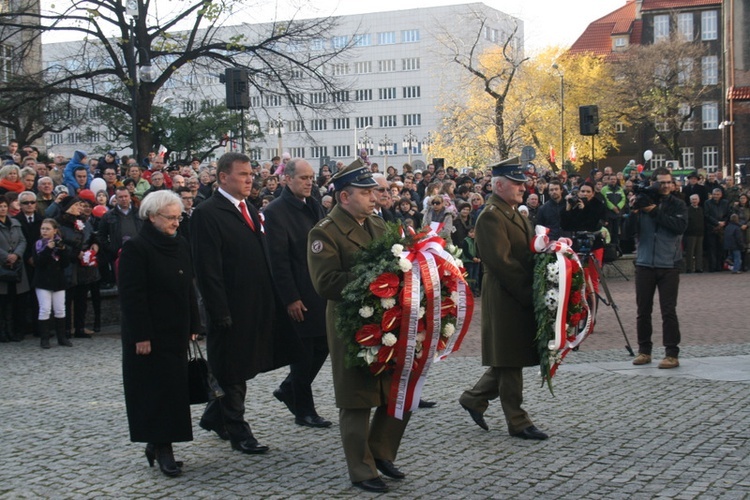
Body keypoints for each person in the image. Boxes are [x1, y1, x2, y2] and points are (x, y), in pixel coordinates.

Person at [307, 159, 410, 493]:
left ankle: (380, 454)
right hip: (353, 324)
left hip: (388, 318)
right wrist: (376, 282)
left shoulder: (380, 226)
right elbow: (327, 283)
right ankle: (362, 470)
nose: (373, 197)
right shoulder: (324, 232)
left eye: (373, 191)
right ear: (344, 197)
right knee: (357, 400)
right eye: (365, 192)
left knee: (395, 393)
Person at [191, 152, 296, 455]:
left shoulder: (248, 208)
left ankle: (214, 416)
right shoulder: (207, 213)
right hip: (229, 307)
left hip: (255, 304)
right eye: (242, 174)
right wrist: (218, 310)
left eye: (251, 174)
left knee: (241, 366)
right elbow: (207, 269)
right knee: (233, 371)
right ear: (223, 177)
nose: (250, 179)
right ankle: (238, 431)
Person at [458, 160, 548, 441]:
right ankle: (517, 420)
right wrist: (529, 293)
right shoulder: (491, 215)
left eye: (523, 183)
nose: (523, 187)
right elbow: (501, 262)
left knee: (510, 356)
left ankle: (474, 398)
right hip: (506, 293)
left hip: (516, 290)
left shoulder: (512, 212)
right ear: (499, 185)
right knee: (510, 359)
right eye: (517, 183)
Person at [119, 191, 200, 478]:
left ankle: (161, 444)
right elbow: (132, 297)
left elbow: (188, 286)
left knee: (174, 391)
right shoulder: (137, 248)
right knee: (155, 393)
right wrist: (141, 335)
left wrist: (194, 324)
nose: (176, 223)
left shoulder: (180, 244)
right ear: (152, 217)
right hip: (149, 336)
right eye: (170, 218)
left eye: (179, 217)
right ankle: (163, 448)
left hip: (175, 331)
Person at [263, 158, 331, 428]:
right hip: (299, 293)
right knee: (302, 355)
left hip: (318, 290)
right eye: (303, 177)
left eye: (311, 177)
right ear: (287, 179)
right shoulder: (276, 212)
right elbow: (277, 260)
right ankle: (304, 409)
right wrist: (290, 297)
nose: (309, 182)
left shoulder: (313, 204)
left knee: (323, 345)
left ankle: (288, 389)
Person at [624, 167, 687, 369]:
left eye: (669, 182)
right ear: (654, 183)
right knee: (643, 310)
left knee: (668, 310)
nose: (666, 186)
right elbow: (627, 233)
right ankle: (644, 351)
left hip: (669, 264)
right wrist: (633, 211)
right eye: (661, 182)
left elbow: (679, 227)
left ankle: (671, 353)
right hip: (644, 263)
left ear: (673, 183)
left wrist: (654, 211)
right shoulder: (642, 201)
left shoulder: (678, 204)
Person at [33, 219, 72, 348]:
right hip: (43, 281)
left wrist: (61, 250)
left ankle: (62, 338)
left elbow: (65, 263)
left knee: (60, 309)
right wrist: (48, 249)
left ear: (54, 230)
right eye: (42, 228)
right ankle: (44, 339)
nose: (44, 231)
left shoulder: (60, 243)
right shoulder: (38, 244)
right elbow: (38, 263)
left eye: (47, 229)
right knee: (45, 309)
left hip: (58, 281)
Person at [0, 194, 30, 343]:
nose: (3, 209)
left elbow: (22, 241)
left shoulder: (15, 223)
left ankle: (16, 331)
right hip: (2, 266)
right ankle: (3, 331)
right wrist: (6, 256)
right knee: (3, 303)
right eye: (0, 207)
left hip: (17, 267)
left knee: (17, 301)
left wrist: (16, 255)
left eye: (5, 206)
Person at [703, 188, 729, 272]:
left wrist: (723, 222)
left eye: (718, 194)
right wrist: (717, 223)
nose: (716, 196)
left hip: (722, 228)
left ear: (721, 195)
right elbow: (706, 215)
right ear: (712, 194)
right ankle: (712, 267)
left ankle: (720, 266)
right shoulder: (707, 203)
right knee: (712, 248)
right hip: (712, 228)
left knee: (721, 248)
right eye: (714, 194)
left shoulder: (725, 203)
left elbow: (728, 214)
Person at [684, 194, 704, 273]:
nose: (694, 201)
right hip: (690, 233)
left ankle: (698, 267)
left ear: (698, 200)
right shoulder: (688, 210)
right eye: (692, 199)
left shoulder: (701, 209)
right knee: (690, 252)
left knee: (699, 251)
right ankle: (689, 268)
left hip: (700, 233)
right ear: (690, 201)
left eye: (695, 199)